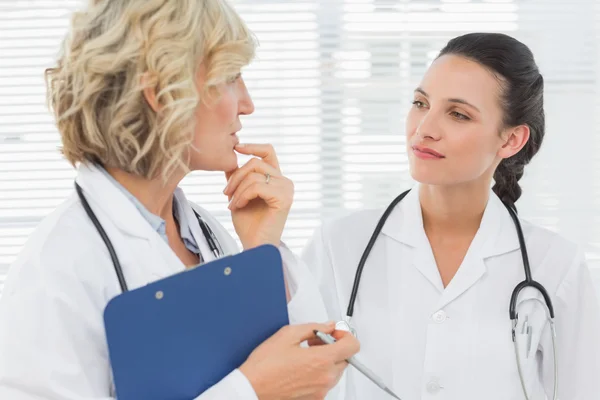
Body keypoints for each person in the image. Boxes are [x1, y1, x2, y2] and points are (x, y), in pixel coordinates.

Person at [0, 0, 358, 399]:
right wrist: (250, 391)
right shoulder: (54, 272)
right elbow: (264, 384)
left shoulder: (206, 235)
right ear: (162, 93)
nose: (247, 103)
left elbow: (307, 379)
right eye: (231, 77)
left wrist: (262, 252)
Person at [300, 32, 600, 399]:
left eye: (458, 114)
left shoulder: (555, 265)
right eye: (421, 103)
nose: (424, 130)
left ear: (510, 140)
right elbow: (287, 377)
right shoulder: (339, 245)